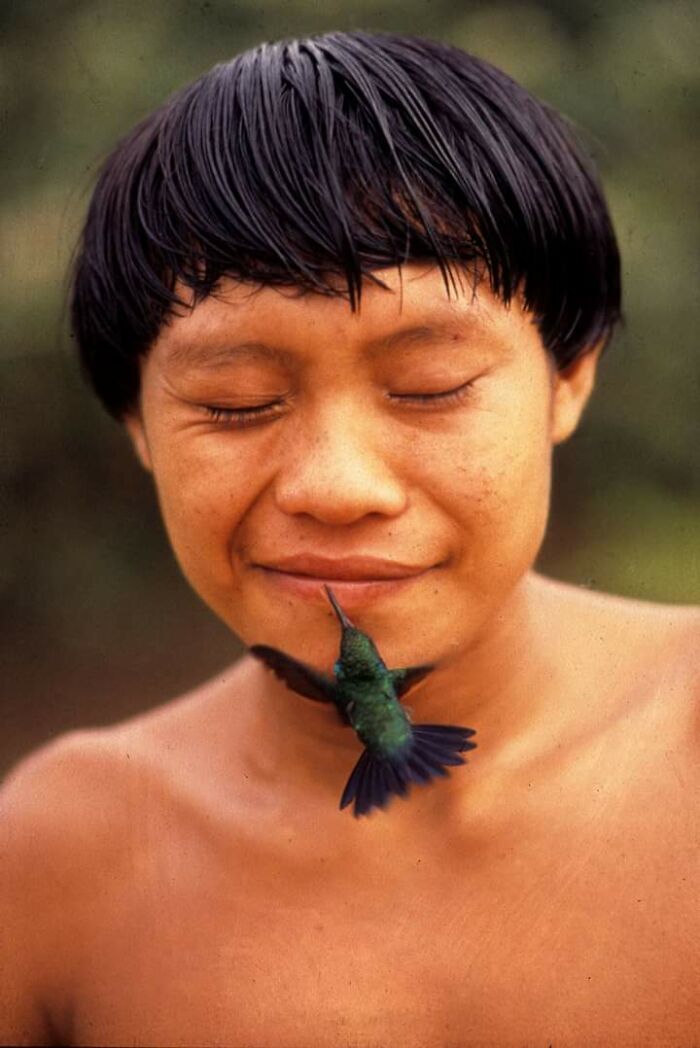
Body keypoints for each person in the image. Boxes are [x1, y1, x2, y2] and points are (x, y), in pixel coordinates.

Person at [1, 30, 698, 1048]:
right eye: (235, 403)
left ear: (569, 377)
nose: (338, 485)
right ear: (139, 425)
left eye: (431, 388)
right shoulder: (56, 863)